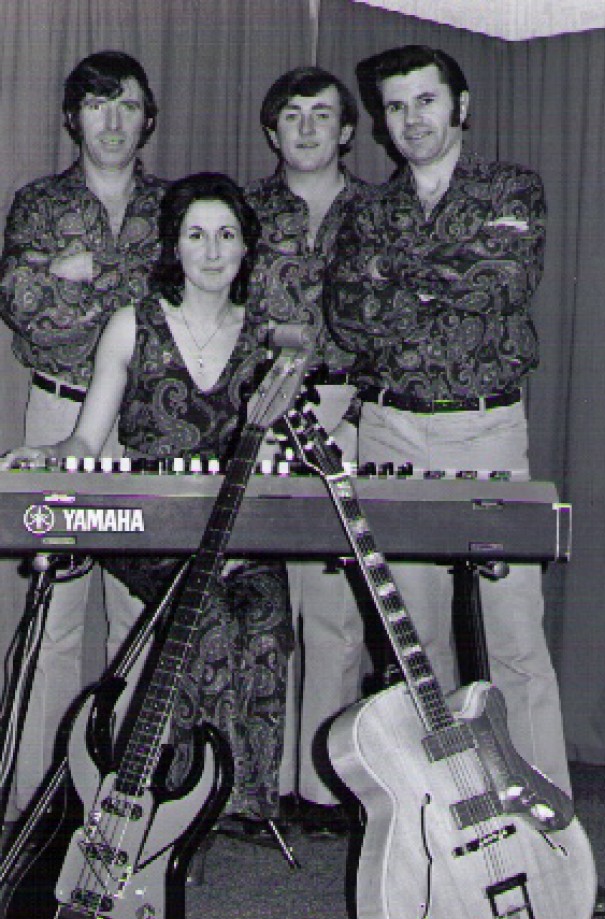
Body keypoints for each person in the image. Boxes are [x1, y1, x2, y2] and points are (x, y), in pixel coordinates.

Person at [0, 171, 293, 830]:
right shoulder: (133, 325)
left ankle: (237, 799)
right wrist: (45, 456)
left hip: (238, 530)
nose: (212, 251)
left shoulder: (267, 338)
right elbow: (84, 439)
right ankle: (179, 804)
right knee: (204, 614)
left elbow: (280, 446)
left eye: (227, 235)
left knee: (267, 622)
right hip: (152, 529)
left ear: (246, 247)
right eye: (196, 235)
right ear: (173, 245)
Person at [325, 43, 571, 795]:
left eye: (426, 101)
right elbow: (348, 317)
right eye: (396, 106)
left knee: (514, 637)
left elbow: (501, 282)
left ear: (460, 106)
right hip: (390, 430)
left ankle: (548, 826)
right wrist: (445, 273)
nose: (411, 119)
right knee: (415, 649)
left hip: (485, 430)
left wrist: (393, 276)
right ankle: (439, 822)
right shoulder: (366, 210)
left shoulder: (511, 188)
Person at [0, 50, 167, 813]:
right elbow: (24, 308)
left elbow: (180, 316)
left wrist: (80, 279)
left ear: (148, 118)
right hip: (60, 416)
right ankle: (37, 802)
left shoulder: (175, 208)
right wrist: (122, 294)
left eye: (127, 104)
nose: (112, 121)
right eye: (98, 105)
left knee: (139, 615)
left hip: (148, 424)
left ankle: (127, 803)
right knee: (56, 613)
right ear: (73, 118)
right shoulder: (40, 203)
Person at [245, 67, 371, 837]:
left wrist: (362, 394)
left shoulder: (381, 211)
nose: (307, 127)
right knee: (264, 606)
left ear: (347, 129)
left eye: (322, 114)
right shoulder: (243, 212)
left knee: (335, 610)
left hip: (350, 408)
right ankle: (259, 788)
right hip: (262, 411)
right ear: (272, 130)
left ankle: (323, 789)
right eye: (291, 114)